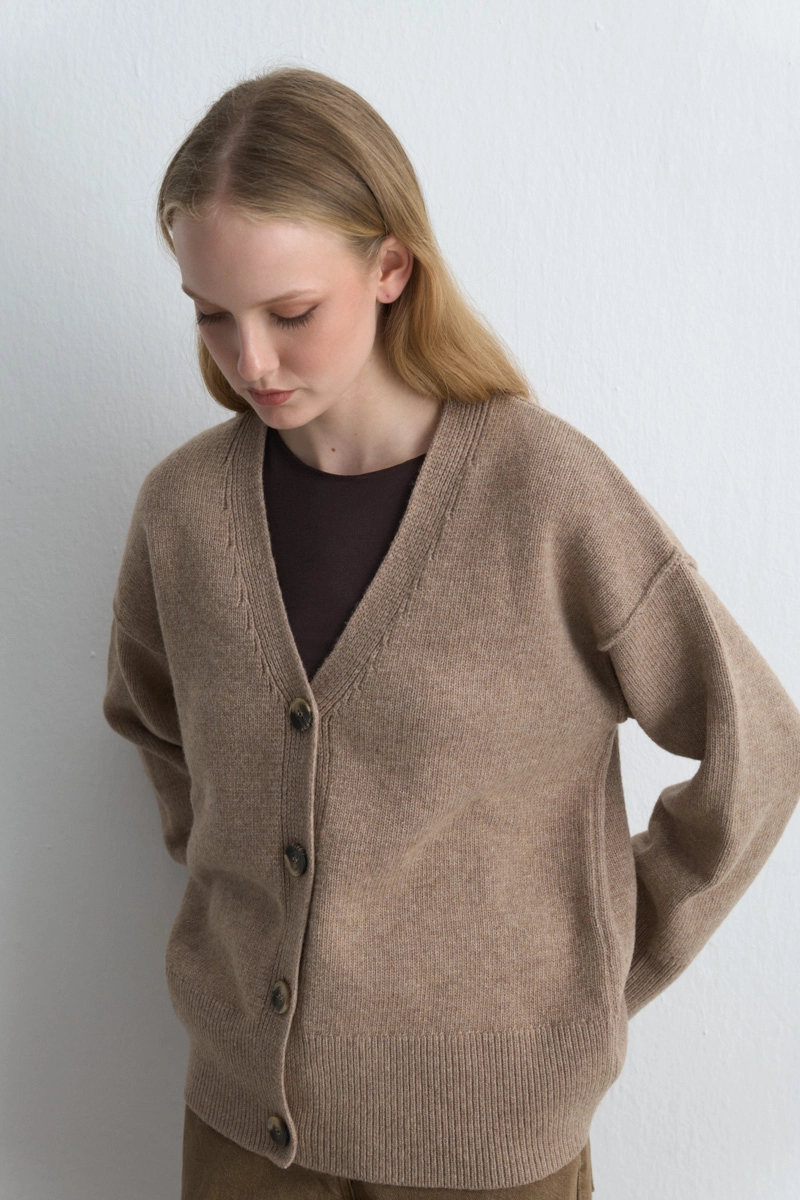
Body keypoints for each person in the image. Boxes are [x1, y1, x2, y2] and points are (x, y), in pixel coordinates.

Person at [101, 66, 800, 1200]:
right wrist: (237, 871)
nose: (250, 362)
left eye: (290, 313)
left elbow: (757, 745)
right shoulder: (183, 513)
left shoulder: (545, 496)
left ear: (390, 268)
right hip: (242, 1133)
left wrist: (609, 948)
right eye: (210, 314)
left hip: (487, 1146)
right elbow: (153, 722)